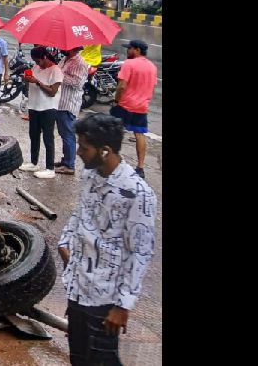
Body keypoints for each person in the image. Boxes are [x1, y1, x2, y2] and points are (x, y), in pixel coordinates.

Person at [58, 113, 157, 366]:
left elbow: (140, 252)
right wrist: (65, 242)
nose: (78, 152)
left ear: (105, 151)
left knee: (102, 359)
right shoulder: (90, 176)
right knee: (79, 358)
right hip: (78, 288)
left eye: (84, 147)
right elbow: (80, 212)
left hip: (105, 299)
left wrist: (123, 306)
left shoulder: (137, 193)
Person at [109, 39, 158, 179]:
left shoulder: (129, 64)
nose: (127, 50)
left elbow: (121, 86)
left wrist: (116, 100)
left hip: (125, 104)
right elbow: (152, 86)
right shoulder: (152, 67)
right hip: (142, 106)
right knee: (139, 134)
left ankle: (113, 162)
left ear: (137, 50)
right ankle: (140, 167)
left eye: (129, 48)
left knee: (115, 132)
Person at [20, 46, 62, 178]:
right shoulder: (36, 67)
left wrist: (37, 82)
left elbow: (52, 92)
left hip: (48, 108)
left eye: (38, 61)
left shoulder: (55, 70)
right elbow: (31, 83)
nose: (37, 64)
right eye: (35, 61)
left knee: (48, 138)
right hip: (34, 106)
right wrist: (26, 79)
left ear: (44, 57)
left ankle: (50, 168)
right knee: (34, 135)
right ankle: (34, 162)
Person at [55, 45, 88, 175]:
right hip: (60, 102)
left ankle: (69, 165)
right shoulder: (65, 59)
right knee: (63, 133)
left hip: (69, 104)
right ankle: (65, 160)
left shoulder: (80, 63)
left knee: (68, 134)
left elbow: (78, 83)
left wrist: (60, 75)